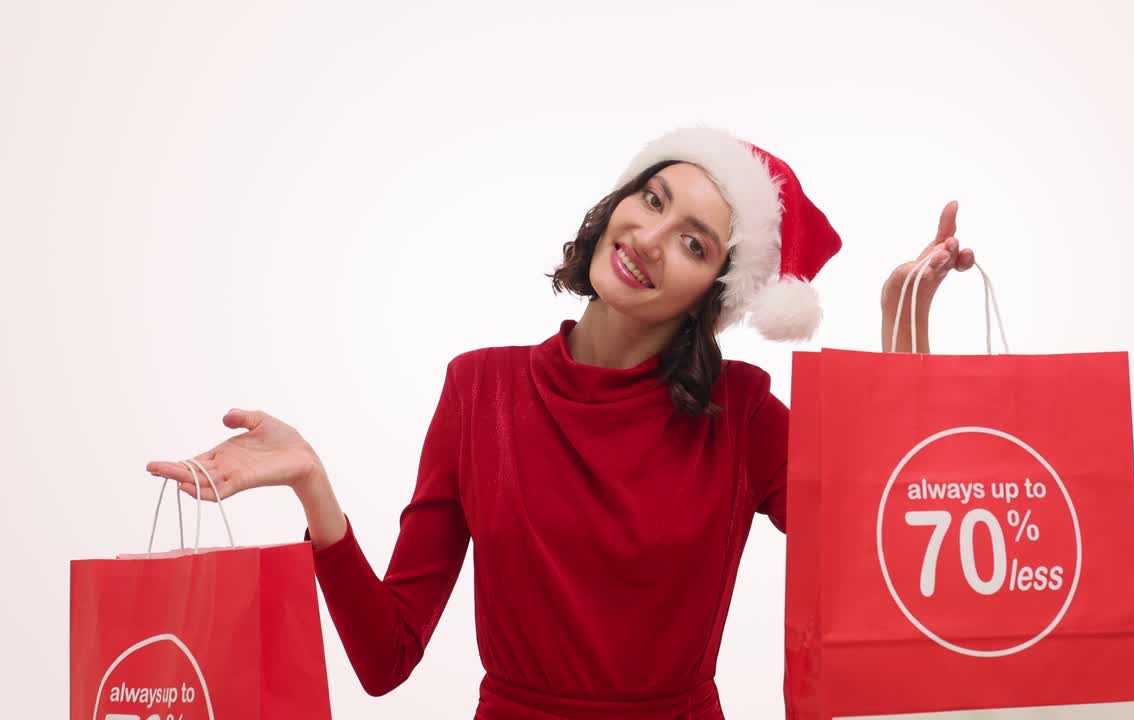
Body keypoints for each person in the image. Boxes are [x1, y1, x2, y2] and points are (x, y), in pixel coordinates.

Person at [145, 126, 975, 719]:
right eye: (651, 199)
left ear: (715, 292)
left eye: (693, 242)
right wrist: (312, 488)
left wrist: (905, 324)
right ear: (618, 200)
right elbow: (386, 659)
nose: (648, 238)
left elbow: (888, 545)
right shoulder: (480, 391)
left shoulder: (743, 414)